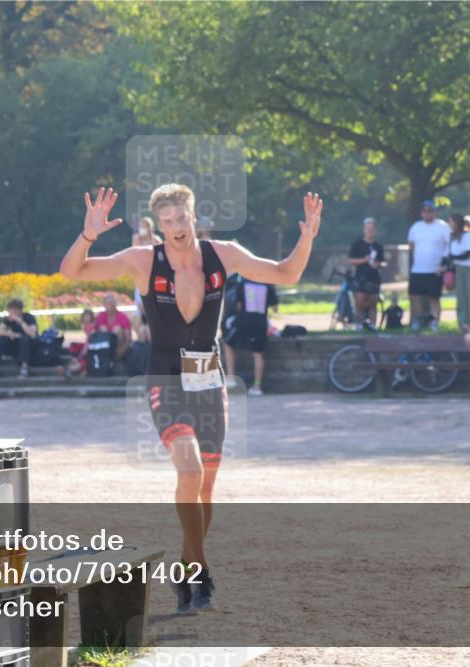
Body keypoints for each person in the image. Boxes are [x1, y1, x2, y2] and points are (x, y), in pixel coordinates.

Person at [60, 183, 322, 613]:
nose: (176, 228)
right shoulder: (145, 260)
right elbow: (72, 271)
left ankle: (187, 567)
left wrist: (307, 237)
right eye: (167, 222)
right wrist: (88, 235)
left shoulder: (224, 254)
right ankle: (200, 572)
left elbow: (286, 274)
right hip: (165, 377)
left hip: (209, 379)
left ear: (193, 217)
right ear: (158, 226)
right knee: (189, 468)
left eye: (182, 219)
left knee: (204, 492)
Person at [222, 274, 279, 396]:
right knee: (258, 354)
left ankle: (231, 380)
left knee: (227, 343)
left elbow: (238, 306)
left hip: (243, 323)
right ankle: (257, 386)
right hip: (260, 324)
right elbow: (275, 309)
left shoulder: (242, 284)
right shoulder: (268, 286)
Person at [407, 200, 450, 331]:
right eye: (424, 211)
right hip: (418, 269)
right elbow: (411, 246)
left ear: (435, 212)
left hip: (435, 270)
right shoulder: (416, 227)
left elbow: (449, 247)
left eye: (430, 211)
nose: (427, 213)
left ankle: (434, 322)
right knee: (415, 296)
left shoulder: (442, 226)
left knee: (434, 297)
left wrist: (442, 265)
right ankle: (418, 321)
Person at [445, 213, 470, 329]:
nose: (450, 224)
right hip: (459, 269)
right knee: (461, 298)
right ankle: (463, 325)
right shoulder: (452, 237)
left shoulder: (469, 236)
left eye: (451, 222)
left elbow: (468, 254)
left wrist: (453, 257)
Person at [346, 217, 385, 329]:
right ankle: (358, 325)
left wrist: (378, 264)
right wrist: (364, 260)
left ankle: (372, 326)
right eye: (367, 228)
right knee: (359, 303)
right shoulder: (357, 244)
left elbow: (383, 262)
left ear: (375, 230)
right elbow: (350, 260)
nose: (370, 231)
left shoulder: (378, 246)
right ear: (364, 229)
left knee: (373, 303)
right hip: (360, 278)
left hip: (374, 278)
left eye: (372, 229)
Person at [0, 298, 38, 379]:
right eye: (11, 310)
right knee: (1, 339)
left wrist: (20, 322)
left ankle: (24, 367)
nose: (13, 312)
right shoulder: (8, 319)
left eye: (16, 309)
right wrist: (14, 335)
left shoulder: (29, 317)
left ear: (20, 310)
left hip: (28, 347)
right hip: (14, 347)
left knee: (24, 339)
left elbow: (32, 334)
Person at [95, 293, 132, 362]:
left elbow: (128, 339)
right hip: (105, 347)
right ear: (104, 305)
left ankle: (116, 359)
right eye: (108, 303)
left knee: (117, 329)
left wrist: (121, 352)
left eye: (112, 303)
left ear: (115, 304)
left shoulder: (122, 317)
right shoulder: (101, 316)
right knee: (103, 329)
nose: (110, 305)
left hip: (120, 347)